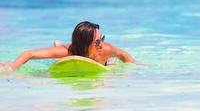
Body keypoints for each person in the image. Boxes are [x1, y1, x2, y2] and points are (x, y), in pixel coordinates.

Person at [0, 21, 136, 72]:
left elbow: (123, 54)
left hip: (100, 63)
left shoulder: (105, 49)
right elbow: (29, 54)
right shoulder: (69, 51)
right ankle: (57, 45)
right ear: (85, 42)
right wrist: (13, 67)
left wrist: (133, 65)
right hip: (72, 54)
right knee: (58, 58)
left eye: (102, 39)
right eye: (98, 41)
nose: (101, 44)